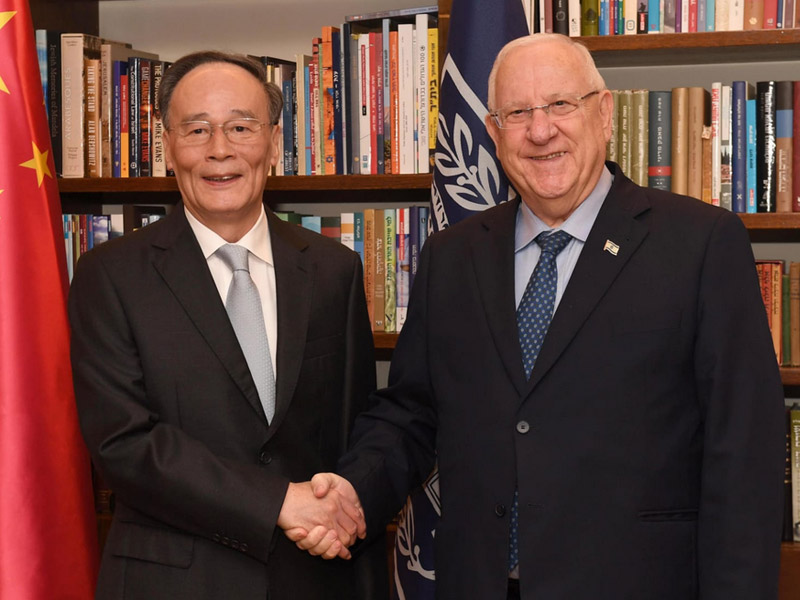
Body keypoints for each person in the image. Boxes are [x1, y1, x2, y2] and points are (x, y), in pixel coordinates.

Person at [296, 33, 786, 599]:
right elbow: (411, 412)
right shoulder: (452, 257)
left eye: (559, 104)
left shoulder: (700, 244)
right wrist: (355, 491)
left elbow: (744, 449)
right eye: (517, 113)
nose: (540, 130)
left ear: (603, 114)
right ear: (493, 134)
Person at [68, 51, 386, 600]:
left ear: (273, 143)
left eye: (241, 127)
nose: (220, 150)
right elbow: (124, 444)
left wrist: (345, 504)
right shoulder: (109, 275)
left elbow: (353, 425)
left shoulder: (334, 270)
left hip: (314, 577)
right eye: (197, 130)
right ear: (167, 147)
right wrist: (278, 502)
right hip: (171, 582)